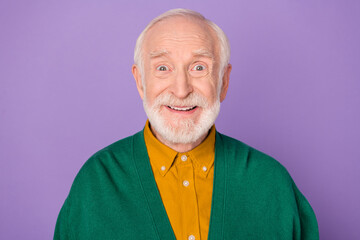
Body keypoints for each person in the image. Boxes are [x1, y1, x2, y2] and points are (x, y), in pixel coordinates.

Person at [54, 9, 319, 240]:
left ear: (223, 82)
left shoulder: (272, 183)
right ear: (140, 82)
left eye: (199, 67)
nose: (181, 90)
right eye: (162, 68)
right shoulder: (95, 184)